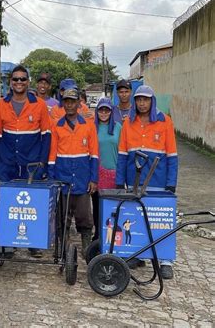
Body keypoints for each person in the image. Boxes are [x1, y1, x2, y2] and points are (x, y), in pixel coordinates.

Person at [116, 85, 178, 279]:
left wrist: (171, 183)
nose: (142, 103)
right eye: (139, 100)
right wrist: (120, 181)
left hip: (158, 181)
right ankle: (138, 255)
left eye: (146, 99)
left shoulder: (164, 121)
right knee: (136, 220)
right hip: (134, 180)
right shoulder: (129, 123)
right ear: (135, 102)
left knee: (161, 221)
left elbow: (172, 155)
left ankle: (165, 261)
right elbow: (122, 154)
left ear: (152, 101)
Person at [0, 65, 51, 258]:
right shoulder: (1, 104)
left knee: (32, 205)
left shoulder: (39, 105)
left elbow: (46, 135)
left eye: (22, 79)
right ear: (10, 82)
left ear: (28, 82)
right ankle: (8, 243)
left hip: (31, 164)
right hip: (7, 162)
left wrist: (42, 163)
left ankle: (34, 243)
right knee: (7, 203)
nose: (19, 82)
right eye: (15, 79)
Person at [48, 88, 99, 257]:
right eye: (66, 101)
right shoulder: (57, 126)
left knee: (85, 216)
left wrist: (93, 179)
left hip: (83, 179)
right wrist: (52, 178)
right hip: (63, 179)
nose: (69, 105)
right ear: (63, 104)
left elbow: (94, 155)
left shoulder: (88, 126)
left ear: (79, 103)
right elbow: (52, 156)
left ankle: (85, 246)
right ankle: (63, 245)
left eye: (73, 101)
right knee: (62, 216)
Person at [91, 97, 122, 241]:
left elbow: (123, 152)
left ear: (111, 111)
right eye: (101, 110)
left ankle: (111, 238)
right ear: (97, 111)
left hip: (113, 173)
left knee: (112, 208)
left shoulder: (118, 128)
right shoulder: (92, 127)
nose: (103, 113)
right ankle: (98, 236)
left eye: (107, 110)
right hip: (97, 173)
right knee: (97, 207)